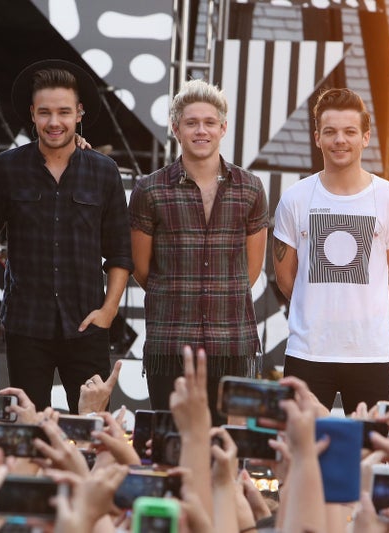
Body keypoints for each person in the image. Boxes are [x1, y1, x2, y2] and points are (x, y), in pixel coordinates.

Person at [0, 59, 133, 413]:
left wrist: (108, 311)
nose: (55, 122)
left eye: (64, 112)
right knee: (28, 430)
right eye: (45, 112)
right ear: (32, 114)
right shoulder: (7, 168)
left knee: (92, 430)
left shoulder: (104, 172)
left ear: (79, 113)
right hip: (26, 324)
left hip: (87, 325)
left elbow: (119, 253)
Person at [128, 79, 268, 423]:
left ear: (223, 128)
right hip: (171, 340)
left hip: (231, 341)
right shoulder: (150, 189)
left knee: (227, 449)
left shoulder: (250, 188)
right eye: (191, 123)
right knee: (171, 447)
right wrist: (178, 294)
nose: (200, 131)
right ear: (176, 128)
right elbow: (141, 268)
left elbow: (251, 270)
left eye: (209, 123)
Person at [272, 87, 389, 413]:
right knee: (299, 446)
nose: (340, 140)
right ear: (317, 137)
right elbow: (284, 278)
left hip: (370, 356)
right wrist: (316, 315)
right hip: (308, 353)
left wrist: (374, 328)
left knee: (369, 451)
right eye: (331, 132)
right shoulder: (295, 199)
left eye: (350, 131)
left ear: (365, 137)